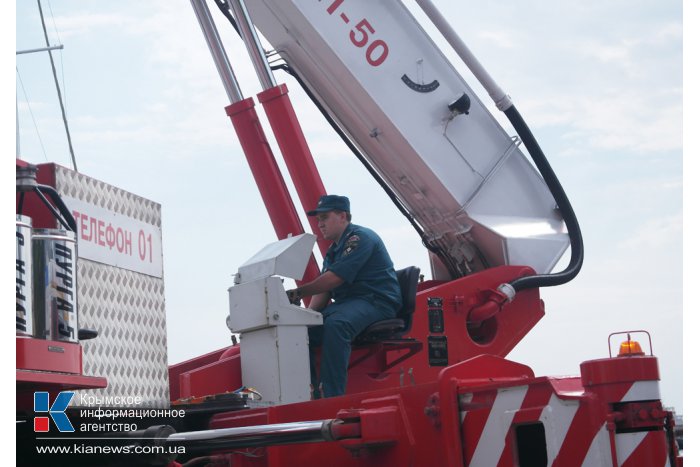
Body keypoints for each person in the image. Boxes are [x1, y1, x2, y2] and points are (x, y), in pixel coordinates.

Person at [285, 195, 402, 398]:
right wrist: (307, 317)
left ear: (342, 216)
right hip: (350, 305)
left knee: (337, 324)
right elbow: (324, 290)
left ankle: (332, 395)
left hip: (376, 302)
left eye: (325, 218)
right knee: (301, 332)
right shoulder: (334, 250)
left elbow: (334, 279)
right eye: (318, 219)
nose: (319, 224)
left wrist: (298, 293)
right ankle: (307, 393)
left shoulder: (360, 239)